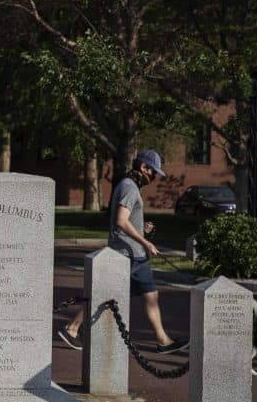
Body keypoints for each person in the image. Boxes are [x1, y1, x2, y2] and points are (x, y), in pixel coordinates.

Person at [58, 150, 188, 354]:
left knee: (151, 295)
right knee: (103, 293)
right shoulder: (129, 187)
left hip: (136, 256)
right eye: (153, 173)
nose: (153, 178)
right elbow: (120, 221)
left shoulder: (129, 186)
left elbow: (127, 220)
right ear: (144, 168)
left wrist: (142, 228)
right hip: (124, 255)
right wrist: (145, 242)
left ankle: (163, 341)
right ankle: (71, 329)